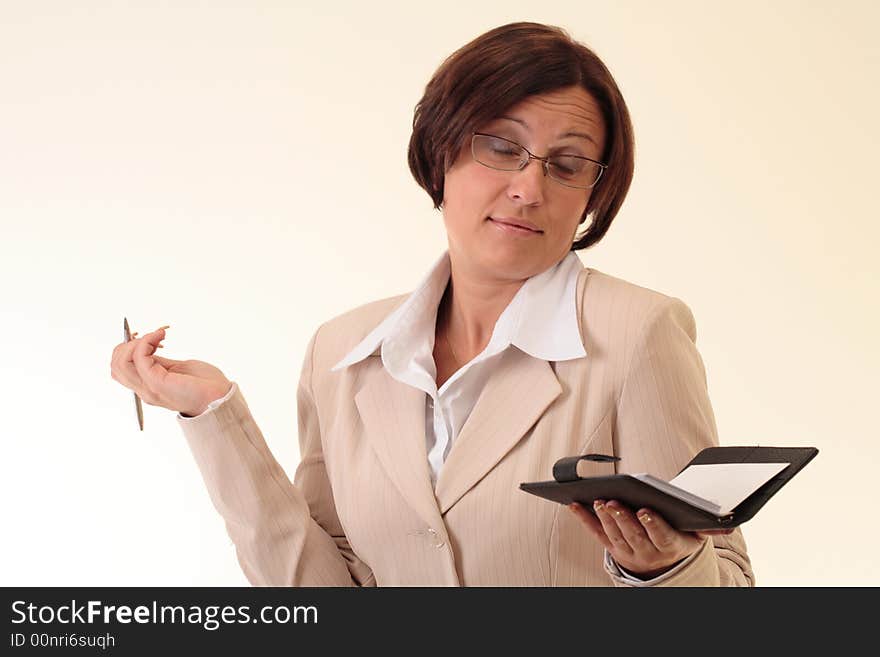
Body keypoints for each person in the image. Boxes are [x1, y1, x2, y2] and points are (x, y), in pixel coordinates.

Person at [110, 22, 754, 586]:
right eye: (502, 147)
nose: (529, 188)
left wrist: (665, 568)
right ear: (441, 149)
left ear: (592, 193)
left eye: (567, 164)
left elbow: (729, 585)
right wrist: (214, 418)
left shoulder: (640, 333)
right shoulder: (341, 350)